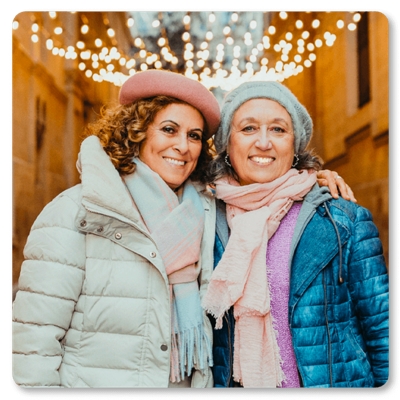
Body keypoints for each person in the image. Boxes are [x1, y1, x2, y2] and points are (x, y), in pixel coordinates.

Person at [12, 69, 221, 388]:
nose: (183, 146)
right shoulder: (76, 211)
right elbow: (31, 347)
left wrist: (315, 181)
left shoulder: (206, 213)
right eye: (169, 129)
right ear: (137, 131)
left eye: (194, 135)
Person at [202, 80, 389, 388]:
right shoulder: (205, 218)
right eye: (248, 129)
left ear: (295, 145)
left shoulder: (343, 219)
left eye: (278, 129)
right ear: (226, 145)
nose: (264, 142)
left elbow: (383, 328)